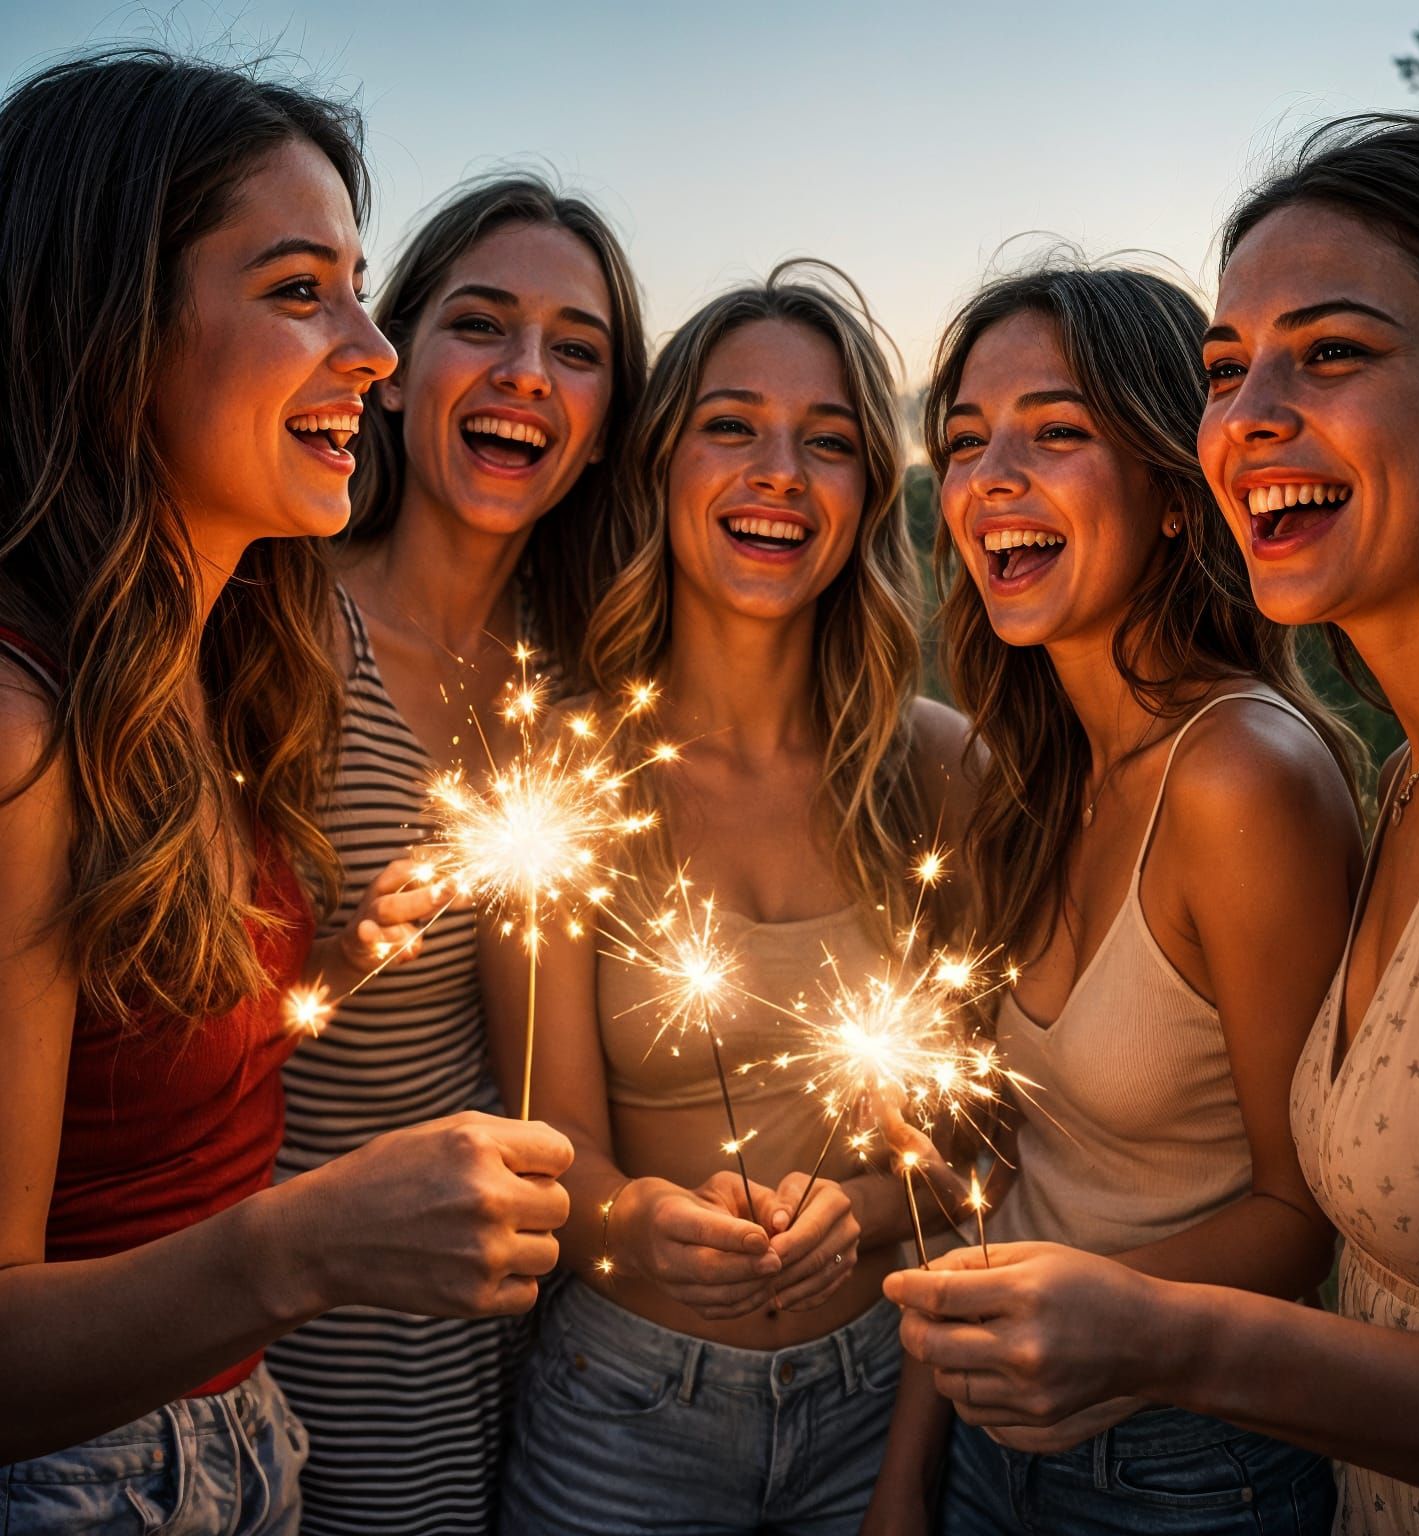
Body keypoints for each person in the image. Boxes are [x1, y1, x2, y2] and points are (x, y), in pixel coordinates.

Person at [887, 116, 1419, 1534]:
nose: (1252, 413)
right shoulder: (1412, 774)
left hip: (1190, 1477)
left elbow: (1295, 1216)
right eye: (1227, 370)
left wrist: (1150, 1333)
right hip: (1034, 1446)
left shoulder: (1290, 776)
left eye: (1334, 352)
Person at [0, 52, 569, 1536]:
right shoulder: (19, 736)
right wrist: (305, 1246)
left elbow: (124, 1067)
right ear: (110, 328)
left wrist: (326, 959)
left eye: (360, 292)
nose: (376, 352)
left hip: (246, 1447)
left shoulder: (217, 671)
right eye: (300, 290)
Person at [869, 261, 1362, 1535]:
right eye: (964, 442)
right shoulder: (1025, 780)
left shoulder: (1242, 777)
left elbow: (1302, 1221)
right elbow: (1001, 1177)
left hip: (1190, 1468)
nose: (990, 480)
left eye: (1056, 433)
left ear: (1175, 495)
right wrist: (906, 1475)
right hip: (988, 1444)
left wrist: (1085, 1313)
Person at [498, 263, 973, 1535]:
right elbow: (553, 1145)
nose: (780, 474)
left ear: (870, 490)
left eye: (829, 441)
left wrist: (862, 1213)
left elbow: (991, 1152)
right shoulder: (566, 772)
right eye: (731, 427)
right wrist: (639, 1221)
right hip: (623, 1414)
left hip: (879, 1399)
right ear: (660, 466)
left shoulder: (936, 772)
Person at [267, 174, 644, 1536]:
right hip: (282, 1327)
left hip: (505, 1346)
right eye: (480, 325)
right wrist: (326, 965)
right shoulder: (271, 634)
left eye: (576, 348)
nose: (526, 373)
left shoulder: (584, 691)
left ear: (603, 435)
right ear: (391, 368)